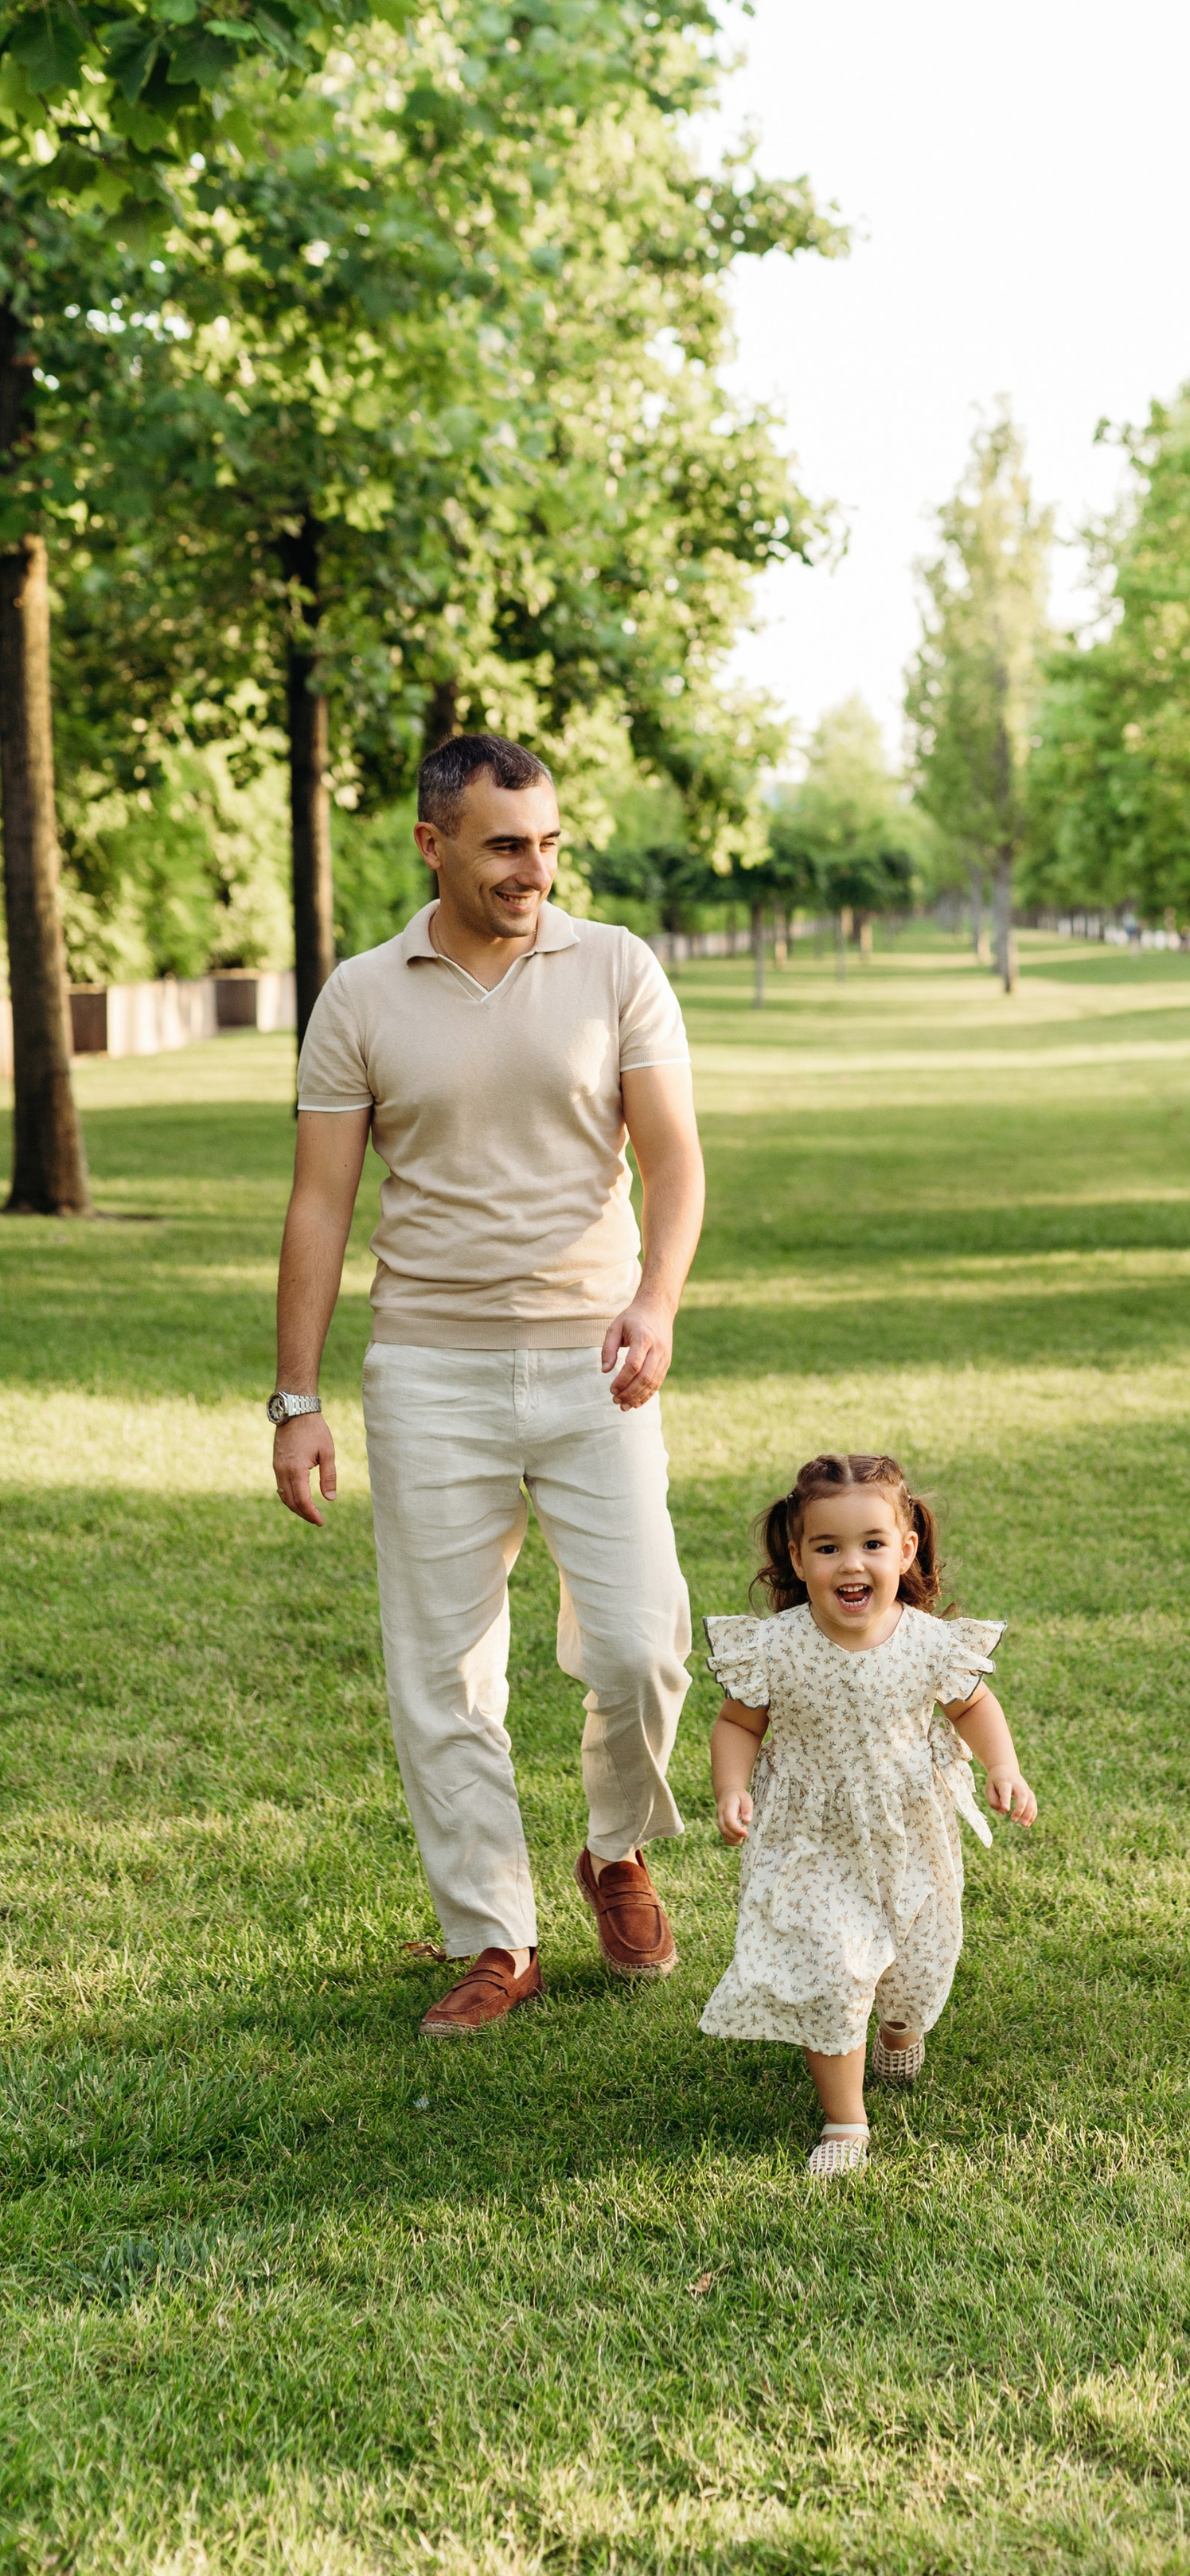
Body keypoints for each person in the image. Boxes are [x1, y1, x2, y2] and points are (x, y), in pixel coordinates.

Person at [271, 732, 705, 2037]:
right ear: (434, 844)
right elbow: (320, 1201)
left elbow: (675, 1161)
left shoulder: (617, 964)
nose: (535, 867)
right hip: (429, 1369)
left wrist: (657, 1302)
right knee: (442, 1673)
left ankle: (616, 1846)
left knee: (641, 1642)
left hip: (597, 1363)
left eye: (550, 841)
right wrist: (296, 1400)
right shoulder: (358, 994)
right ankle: (495, 1939)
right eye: (507, 843)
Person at [700, 1453, 1036, 2176]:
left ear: (906, 1547)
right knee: (834, 1965)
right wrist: (732, 1786)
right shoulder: (777, 1647)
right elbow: (738, 1725)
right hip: (810, 1838)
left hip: (909, 1833)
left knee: (915, 1971)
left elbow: (974, 1706)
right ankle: (845, 2122)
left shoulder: (929, 1645)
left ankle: (897, 2031)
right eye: (828, 1548)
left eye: (872, 1544)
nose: (851, 1564)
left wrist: (1002, 1768)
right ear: (798, 1554)